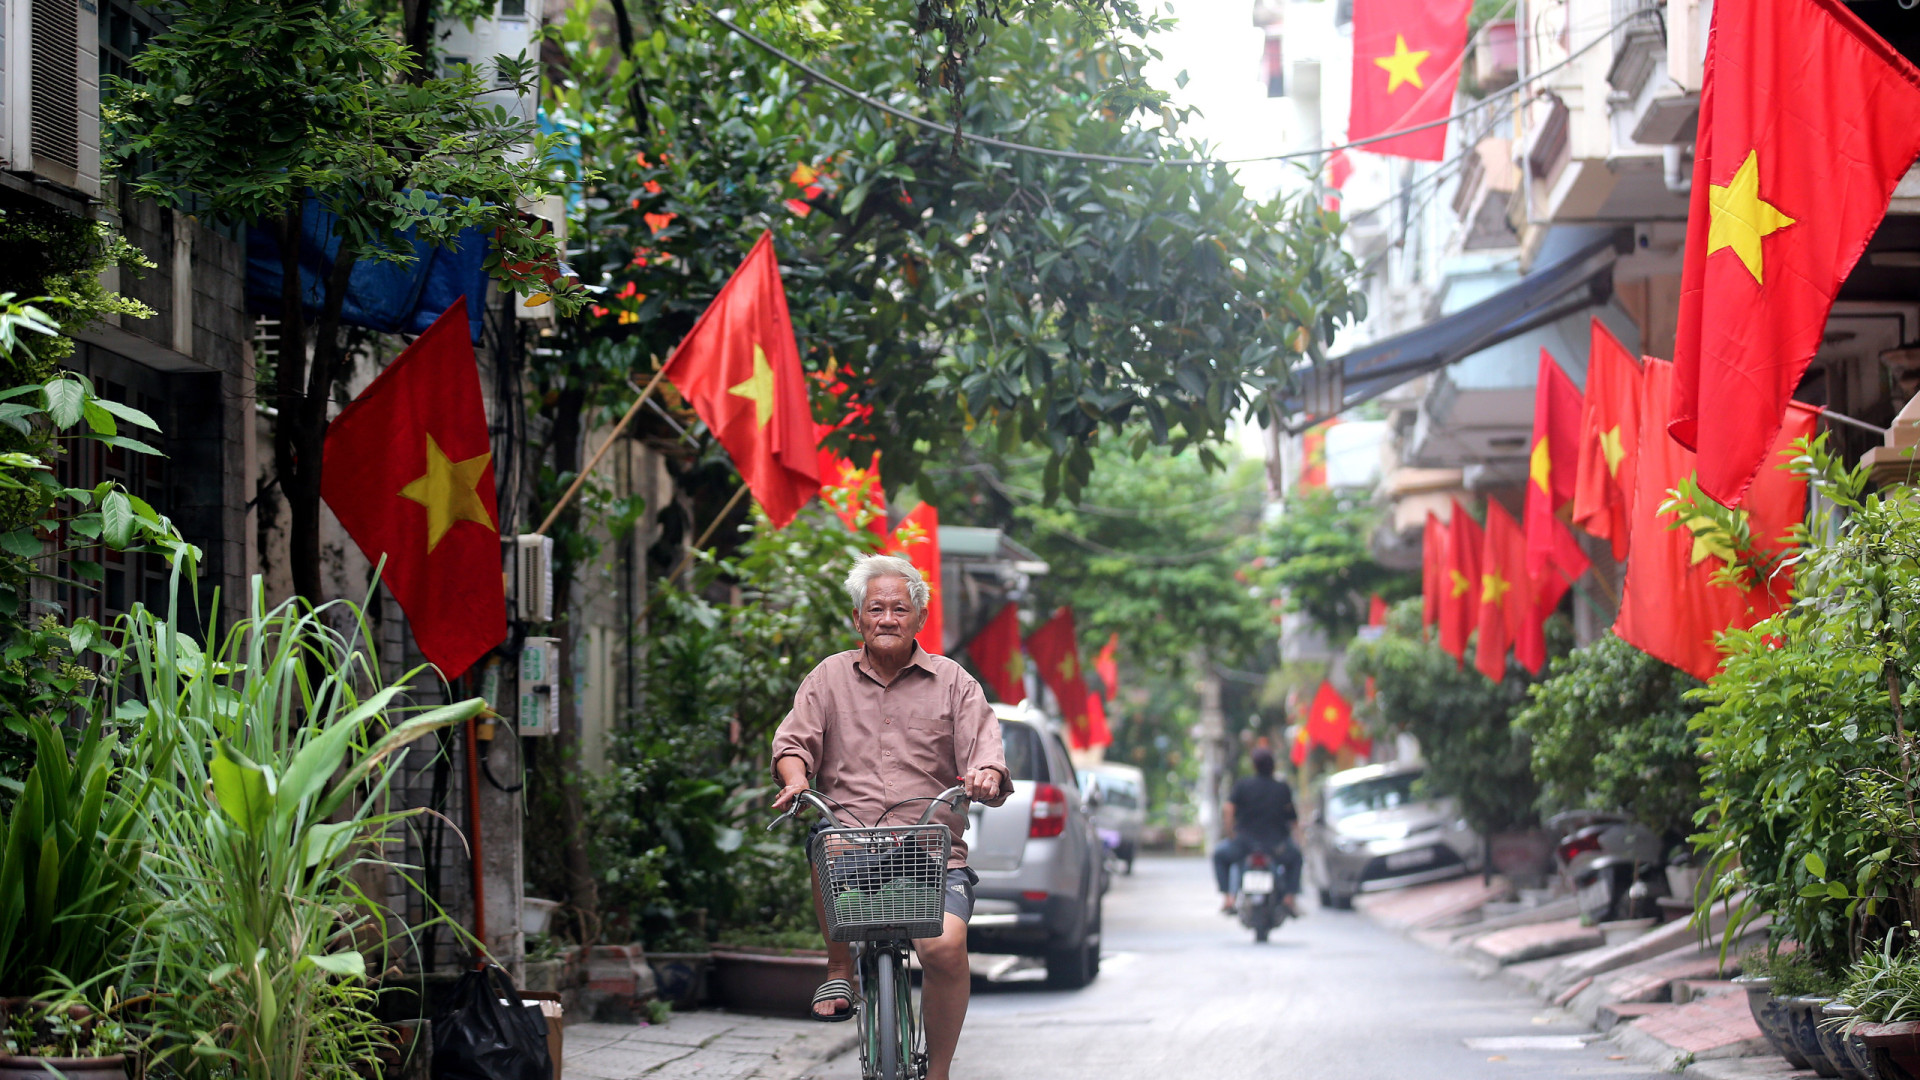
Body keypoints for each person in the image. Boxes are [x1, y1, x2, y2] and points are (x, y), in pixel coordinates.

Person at [770, 554, 1011, 1080]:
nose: (886, 618)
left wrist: (986, 774)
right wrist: (795, 779)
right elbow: (793, 743)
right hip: (851, 850)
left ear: (919, 618)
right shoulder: (827, 678)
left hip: (932, 856)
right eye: (874, 608)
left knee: (945, 949)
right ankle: (840, 971)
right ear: (857, 619)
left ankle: (940, 1070)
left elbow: (986, 752)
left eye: (899, 609)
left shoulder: (955, 683)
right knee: (826, 839)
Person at [1211, 747, 1303, 915]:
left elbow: (1228, 809)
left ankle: (1228, 899)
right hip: (1276, 845)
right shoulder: (1282, 788)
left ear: (1254, 766)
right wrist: (1298, 840)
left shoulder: (1243, 785)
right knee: (1296, 857)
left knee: (1219, 855)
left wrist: (1230, 833)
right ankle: (1289, 898)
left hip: (1244, 844)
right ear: (1273, 766)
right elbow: (1293, 820)